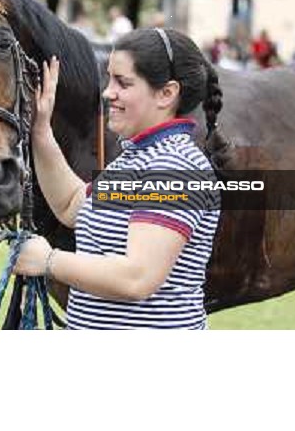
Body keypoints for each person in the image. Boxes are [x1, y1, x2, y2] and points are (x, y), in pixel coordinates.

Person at [13, 28, 226, 330]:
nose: (107, 92)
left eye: (123, 83)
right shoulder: (137, 157)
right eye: (109, 78)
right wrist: (41, 131)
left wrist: (48, 260)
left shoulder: (173, 166)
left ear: (167, 94)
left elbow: (136, 277)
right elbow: (71, 205)